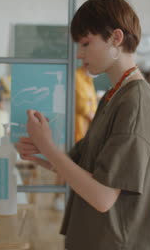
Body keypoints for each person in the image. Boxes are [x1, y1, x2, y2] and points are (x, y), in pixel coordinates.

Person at [16, 0, 150, 250]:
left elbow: (103, 197)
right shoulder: (113, 95)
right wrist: (39, 153)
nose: (80, 54)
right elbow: (80, 168)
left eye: (85, 43)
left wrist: (48, 147)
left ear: (116, 38)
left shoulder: (135, 102)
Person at [54, 66, 98, 211]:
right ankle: (58, 198)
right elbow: (82, 106)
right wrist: (93, 114)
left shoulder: (88, 80)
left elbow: (92, 104)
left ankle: (68, 198)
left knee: (75, 167)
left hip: (85, 131)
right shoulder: (77, 77)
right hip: (74, 130)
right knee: (67, 165)